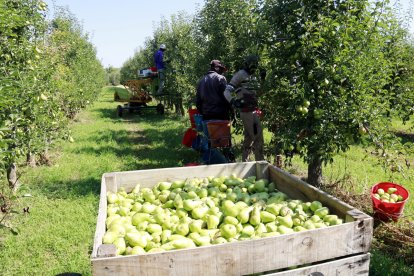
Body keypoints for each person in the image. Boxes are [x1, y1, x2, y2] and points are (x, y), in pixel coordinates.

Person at [224, 55, 265, 162]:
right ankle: (260, 164)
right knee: (258, 138)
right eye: (252, 65)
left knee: (249, 138)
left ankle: (244, 162)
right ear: (246, 64)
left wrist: (263, 79)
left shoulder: (253, 77)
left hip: (254, 110)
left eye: (255, 65)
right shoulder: (240, 75)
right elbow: (227, 91)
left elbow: (259, 94)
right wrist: (233, 101)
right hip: (247, 112)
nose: (254, 67)